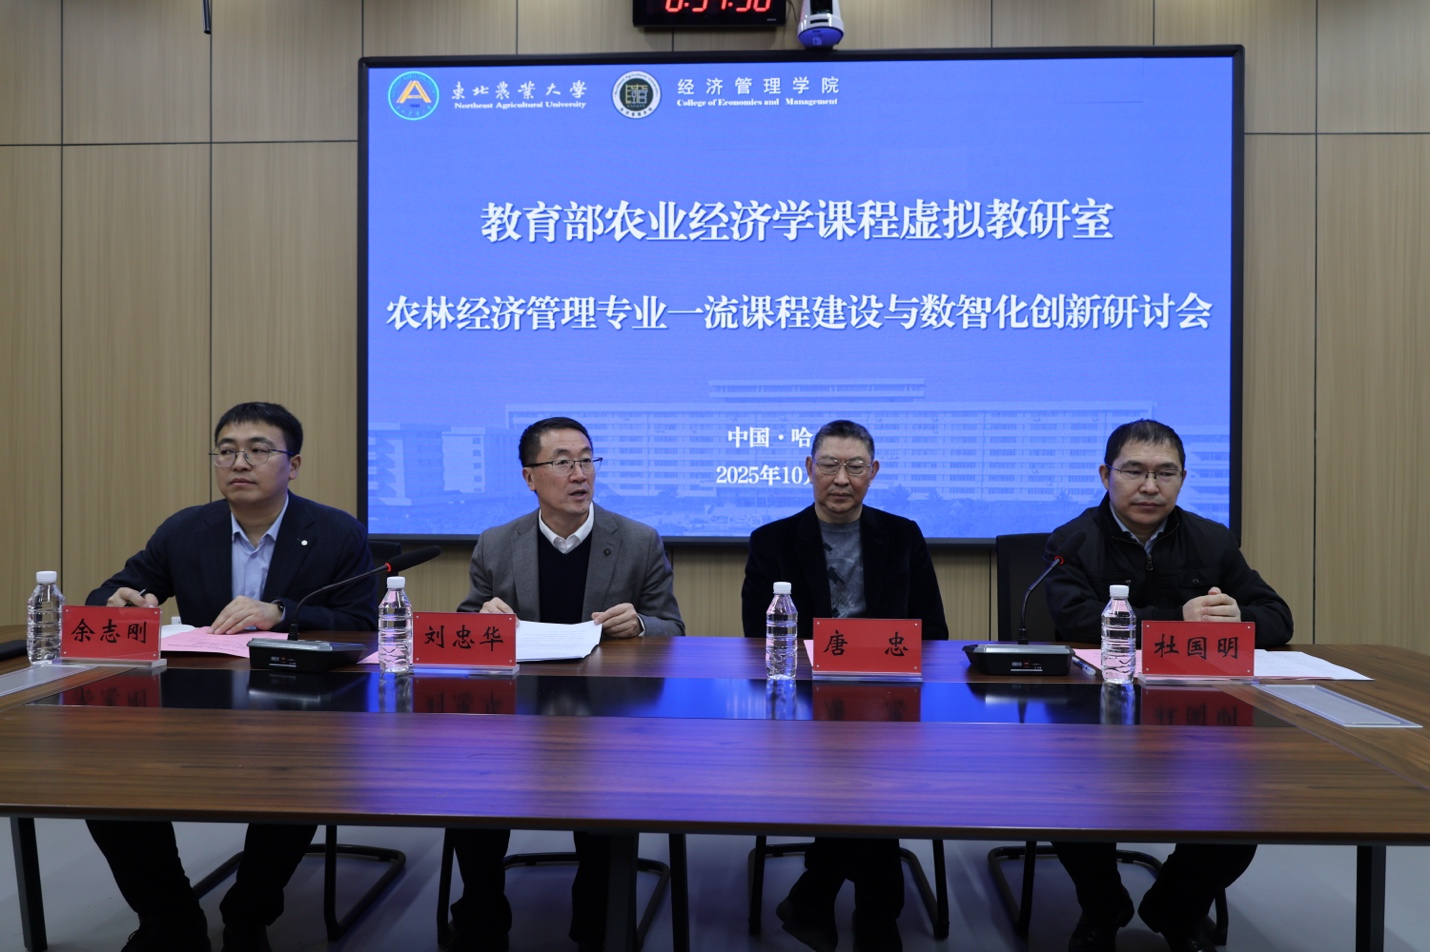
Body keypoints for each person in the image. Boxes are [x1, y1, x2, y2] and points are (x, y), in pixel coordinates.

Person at [85, 402, 378, 952]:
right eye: (226, 451)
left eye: (258, 450)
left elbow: (363, 624)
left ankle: (249, 913)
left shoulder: (336, 531)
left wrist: (281, 612)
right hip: (196, 701)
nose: (239, 462)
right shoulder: (186, 529)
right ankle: (170, 917)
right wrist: (119, 601)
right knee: (104, 780)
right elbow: (114, 589)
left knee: (301, 774)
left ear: (293, 465)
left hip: (300, 706)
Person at [1045, 419, 1293, 952]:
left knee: (1244, 808)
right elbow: (1075, 620)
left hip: (1196, 715)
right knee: (1066, 798)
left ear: (1182, 479)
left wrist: (1239, 617)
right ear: (1106, 475)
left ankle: (1176, 909)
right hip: (1097, 711)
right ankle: (1102, 908)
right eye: (1134, 471)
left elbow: (1278, 617)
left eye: (1165, 473)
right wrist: (1176, 621)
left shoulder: (1211, 539)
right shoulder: (1074, 540)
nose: (1149, 486)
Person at [447, 416, 683, 952]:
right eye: (563, 463)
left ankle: (598, 925)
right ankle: (483, 917)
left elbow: (672, 627)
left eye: (587, 460)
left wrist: (640, 625)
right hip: (515, 718)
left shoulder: (638, 541)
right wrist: (484, 618)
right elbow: (467, 623)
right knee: (471, 788)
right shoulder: (496, 543)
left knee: (606, 800)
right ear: (529, 477)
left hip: (606, 717)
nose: (580, 474)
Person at [741, 420, 947, 952]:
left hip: (888, 697)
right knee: (863, 773)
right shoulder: (773, 540)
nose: (841, 479)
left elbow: (933, 631)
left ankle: (817, 889)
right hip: (806, 701)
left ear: (873, 472)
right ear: (808, 469)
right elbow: (758, 633)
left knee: (868, 765)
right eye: (829, 465)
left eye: (855, 467)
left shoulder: (902, 535)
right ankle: (876, 917)